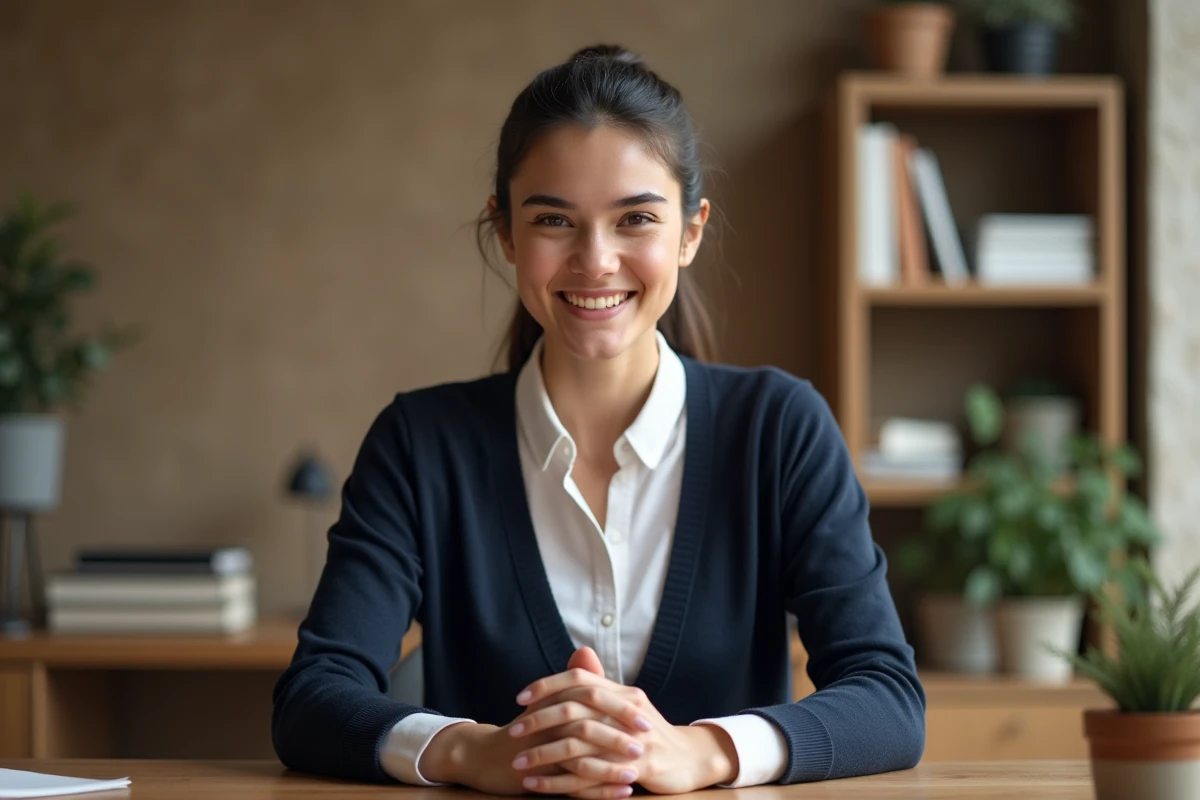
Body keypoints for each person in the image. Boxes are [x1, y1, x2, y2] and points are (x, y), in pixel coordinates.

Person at [271, 45, 925, 796]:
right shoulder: (420, 444)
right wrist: (475, 753)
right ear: (506, 233)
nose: (596, 260)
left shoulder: (780, 429)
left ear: (690, 232)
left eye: (635, 219)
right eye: (554, 220)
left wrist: (703, 752)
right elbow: (313, 698)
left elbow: (888, 699)